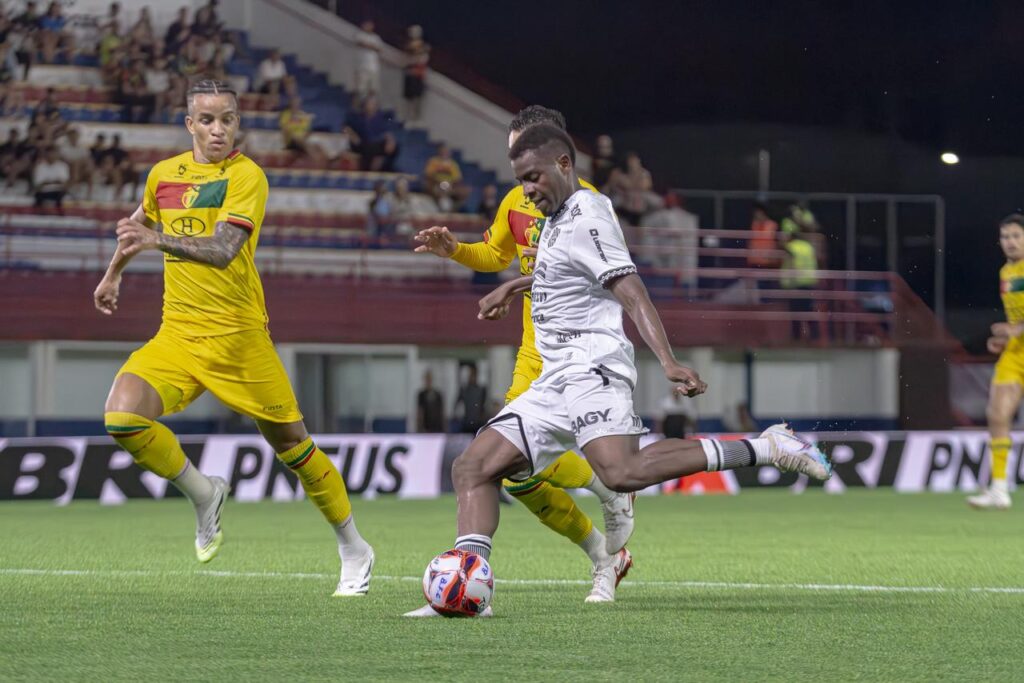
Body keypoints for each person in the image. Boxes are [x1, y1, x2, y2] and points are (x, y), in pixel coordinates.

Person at [407, 125, 832, 616]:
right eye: (520, 180)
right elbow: (564, 270)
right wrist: (514, 287)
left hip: (593, 367)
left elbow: (631, 290)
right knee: (473, 466)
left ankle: (768, 446)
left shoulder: (588, 215)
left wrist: (668, 360)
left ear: (564, 165)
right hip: (554, 376)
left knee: (623, 472)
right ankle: (468, 588)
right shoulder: (557, 214)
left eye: (533, 177)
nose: (526, 190)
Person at [92, 80, 374, 597]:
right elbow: (136, 226)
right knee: (122, 418)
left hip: (240, 338)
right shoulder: (163, 175)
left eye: (227, 119)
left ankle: (353, 545)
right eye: (207, 120)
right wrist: (113, 273)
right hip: (177, 334)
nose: (217, 129)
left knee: (294, 448)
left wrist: (154, 239)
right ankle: (204, 494)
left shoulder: (248, 177)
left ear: (238, 123)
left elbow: (223, 249)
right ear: (189, 125)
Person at [411, 106, 638, 610]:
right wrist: (455, 250)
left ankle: (606, 497)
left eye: (524, 152)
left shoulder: (589, 204)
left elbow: (590, 273)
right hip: (534, 350)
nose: (517, 163)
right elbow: (494, 255)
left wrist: (516, 286)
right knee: (513, 472)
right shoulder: (516, 200)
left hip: (582, 349)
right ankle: (604, 551)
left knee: (510, 464)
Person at [968, 214, 1024, 510]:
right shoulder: (1006, 272)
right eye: (1005, 237)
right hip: (1015, 353)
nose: (1010, 242)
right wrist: (1006, 336)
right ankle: (999, 489)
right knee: (997, 414)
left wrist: (1016, 329)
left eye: (1016, 235)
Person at [779, 229, 820, 341]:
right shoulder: (808, 247)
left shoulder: (790, 247)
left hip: (795, 283)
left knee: (795, 311)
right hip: (809, 282)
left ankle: (796, 337)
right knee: (809, 309)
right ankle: (815, 335)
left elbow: (791, 264)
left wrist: (788, 282)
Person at [422, 143, 467, 211]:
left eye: (446, 151)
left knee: (463, 191)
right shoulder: (433, 161)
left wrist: (449, 185)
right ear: (439, 152)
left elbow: (457, 179)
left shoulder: (453, 164)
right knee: (438, 188)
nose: (444, 153)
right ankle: (439, 208)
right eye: (443, 151)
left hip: (449, 185)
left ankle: (452, 210)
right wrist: (439, 183)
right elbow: (428, 175)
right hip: (436, 184)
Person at [402, 24, 429, 122]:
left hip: (418, 75)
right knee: (409, 98)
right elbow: (407, 60)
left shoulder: (424, 46)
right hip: (410, 74)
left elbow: (422, 59)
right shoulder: (408, 46)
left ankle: (416, 119)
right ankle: (408, 117)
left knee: (418, 98)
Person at [353, 20, 382, 101]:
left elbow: (379, 49)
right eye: (366, 25)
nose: (368, 27)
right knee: (360, 89)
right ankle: (357, 108)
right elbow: (360, 43)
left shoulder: (376, 38)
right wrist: (371, 46)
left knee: (373, 89)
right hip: (362, 67)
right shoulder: (360, 34)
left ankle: (370, 108)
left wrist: (370, 46)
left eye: (370, 25)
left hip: (374, 67)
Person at [455, 364, 488, 434]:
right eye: (470, 375)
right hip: (467, 422)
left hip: (478, 422)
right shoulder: (464, 390)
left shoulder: (481, 390)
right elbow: (457, 404)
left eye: (473, 374)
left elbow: (483, 405)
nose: (471, 377)